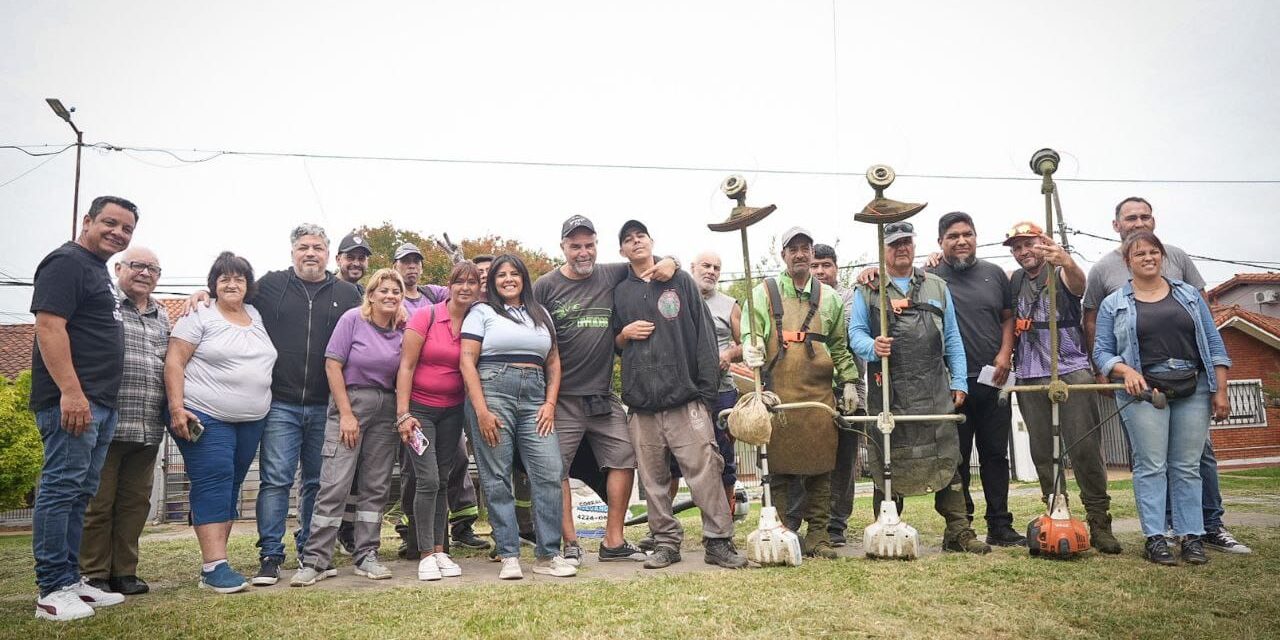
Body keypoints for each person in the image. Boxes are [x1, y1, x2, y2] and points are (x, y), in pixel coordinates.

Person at [1082, 197, 1249, 554]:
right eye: (1139, 255)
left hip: (1193, 387)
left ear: (1162, 257)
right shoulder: (1115, 302)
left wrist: (1220, 390)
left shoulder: (1188, 296)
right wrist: (1122, 368)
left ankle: (1192, 537)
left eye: (1153, 253)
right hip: (1144, 391)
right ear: (1127, 261)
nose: (1148, 258)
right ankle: (1156, 537)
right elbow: (1101, 350)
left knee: (1187, 465)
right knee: (1151, 465)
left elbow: (1214, 342)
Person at [532, 215, 678, 565]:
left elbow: (645, 259)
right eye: (575, 246)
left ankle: (613, 540)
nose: (583, 252)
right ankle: (570, 542)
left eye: (589, 245)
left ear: (597, 245)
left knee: (625, 458)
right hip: (561, 398)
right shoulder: (544, 286)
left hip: (601, 396)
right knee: (556, 470)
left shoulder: (611, 273)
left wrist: (670, 261)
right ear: (563, 247)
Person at [229, 224, 363, 586]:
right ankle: (270, 555)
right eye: (303, 246)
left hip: (327, 405)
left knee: (318, 483)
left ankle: (311, 550)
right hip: (281, 404)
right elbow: (232, 297)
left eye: (317, 247)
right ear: (292, 252)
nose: (310, 253)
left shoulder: (348, 292)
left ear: (328, 253)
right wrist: (201, 294)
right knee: (275, 480)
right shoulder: (271, 285)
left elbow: (371, 323)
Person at [847, 221, 990, 554]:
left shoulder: (937, 287)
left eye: (907, 242)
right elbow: (855, 334)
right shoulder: (868, 289)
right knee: (888, 457)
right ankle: (887, 529)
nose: (901, 248)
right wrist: (873, 347)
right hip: (889, 391)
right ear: (884, 249)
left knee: (947, 454)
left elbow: (952, 337)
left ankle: (958, 531)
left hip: (934, 388)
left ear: (914, 245)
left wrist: (958, 380)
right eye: (894, 243)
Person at [613, 220, 748, 570]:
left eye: (640, 236)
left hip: (686, 400)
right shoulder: (619, 289)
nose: (635, 242)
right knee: (654, 481)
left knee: (705, 471)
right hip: (641, 405)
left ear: (651, 241)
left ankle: (718, 542)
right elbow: (614, 343)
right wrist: (624, 334)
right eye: (628, 240)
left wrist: (704, 394)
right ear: (622, 251)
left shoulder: (680, 280)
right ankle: (666, 543)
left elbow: (704, 337)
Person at [30, 196, 137, 621]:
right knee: (60, 489)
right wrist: (71, 393)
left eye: (127, 229)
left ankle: (71, 579)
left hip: (99, 404)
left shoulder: (96, 270)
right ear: (87, 220)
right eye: (109, 223)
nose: (118, 233)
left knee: (80, 493)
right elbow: (49, 326)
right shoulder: (66, 262)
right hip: (74, 401)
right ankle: (52, 590)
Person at [741, 227, 859, 559]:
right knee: (778, 470)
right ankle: (782, 532)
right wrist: (751, 346)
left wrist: (849, 380)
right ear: (784, 255)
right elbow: (753, 331)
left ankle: (819, 536)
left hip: (819, 397)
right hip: (779, 396)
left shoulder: (831, 298)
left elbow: (838, 346)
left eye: (805, 248)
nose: (800, 254)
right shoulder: (763, 293)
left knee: (822, 470)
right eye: (793, 248)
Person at [1004, 222, 1121, 554]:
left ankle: (1100, 523)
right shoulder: (1014, 280)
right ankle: (1057, 512)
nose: (1024, 252)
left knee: (1084, 449)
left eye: (1029, 244)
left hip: (1071, 370)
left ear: (1042, 244)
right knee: (1043, 451)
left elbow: (1078, 284)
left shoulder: (1060, 270)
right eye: (1017, 247)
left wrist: (1066, 261)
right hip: (1028, 373)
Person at [291, 269, 411, 585]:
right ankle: (316, 560)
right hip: (351, 404)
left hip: (385, 408)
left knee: (376, 486)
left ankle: (366, 555)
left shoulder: (402, 329)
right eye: (383, 290)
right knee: (335, 484)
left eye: (395, 291)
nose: (390, 295)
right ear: (370, 294)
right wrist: (345, 413)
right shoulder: (352, 320)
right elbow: (333, 365)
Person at [166, 252, 277, 594]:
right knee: (213, 482)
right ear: (212, 284)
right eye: (224, 278)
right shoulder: (199, 313)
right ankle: (214, 567)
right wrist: (175, 408)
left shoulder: (256, 314)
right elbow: (174, 362)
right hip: (205, 415)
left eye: (239, 278)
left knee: (230, 486)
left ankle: (217, 561)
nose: (232, 284)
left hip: (251, 420)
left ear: (248, 285)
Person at [460, 254, 576, 580]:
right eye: (501, 275)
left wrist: (550, 403)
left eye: (514, 274)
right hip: (493, 391)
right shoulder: (481, 312)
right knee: (497, 476)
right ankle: (509, 553)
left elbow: (553, 362)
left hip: (535, 398)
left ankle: (547, 554)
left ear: (524, 278)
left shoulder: (540, 314)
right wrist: (481, 410)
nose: (508, 279)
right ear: (493, 282)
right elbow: (467, 361)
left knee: (550, 472)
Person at [928, 212, 1022, 546]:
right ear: (940, 242)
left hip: (993, 379)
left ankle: (1000, 524)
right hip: (953, 385)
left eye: (967, 234)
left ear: (976, 237)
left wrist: (1004, 354)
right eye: (953, 236)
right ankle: (960, 526)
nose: (961, 241)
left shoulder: (995, 275)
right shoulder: (929, 277)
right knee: (957, 457)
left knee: (996, 454)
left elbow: (1007, 319)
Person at [80, 247, 170, 597]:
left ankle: (125, 571)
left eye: (153, 268)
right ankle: (93, 573)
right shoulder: (104, 305)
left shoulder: (163, 315)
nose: (145, 273)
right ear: (119, 268)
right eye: (137, 266)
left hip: (148, 426)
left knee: (135, 504)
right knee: (98, 503)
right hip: (106, 423)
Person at [393, 262, 482, 581]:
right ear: (450, 285)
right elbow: (406, 366)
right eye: (460, 281)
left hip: (453, 411)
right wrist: (403, 413)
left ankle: (441, 550)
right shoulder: (426, 315)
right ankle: (425, 552)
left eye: (473, 282)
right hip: (421, 411)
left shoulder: (477, 320)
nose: (466, 287)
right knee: (427, 480)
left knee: (443, 480)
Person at [806, 242, 866, 547]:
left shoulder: (851, 298)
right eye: (815, 265)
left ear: (836, 268)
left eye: (825, 265)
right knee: (811, 457)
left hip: (849, 389)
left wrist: (850, 382)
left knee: (844, 459)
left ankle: (837, 523)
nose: (819, 271)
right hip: (810, 390)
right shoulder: (801, 298)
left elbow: (850, 342)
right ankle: (812, 520)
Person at [392, 242, 449, 316]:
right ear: (395, 267)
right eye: (406, 261)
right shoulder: (389, 298)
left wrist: (460, 264)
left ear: (422, 269)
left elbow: (461, 294)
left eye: (416, 261)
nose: (412, 266)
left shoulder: (433, 292)